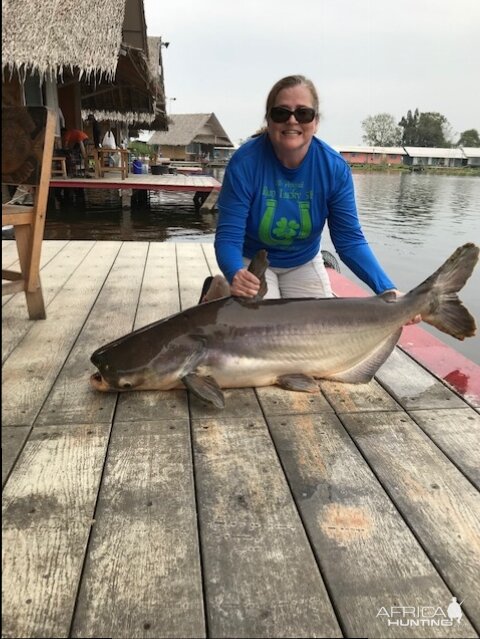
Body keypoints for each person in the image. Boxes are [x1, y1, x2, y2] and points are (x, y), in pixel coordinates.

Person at [214, 74, 418, 321]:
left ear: (316, 122)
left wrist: (387, 289)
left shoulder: (333, 168)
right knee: (260, 325)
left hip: (302, 262)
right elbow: (228, 236)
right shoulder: (244, 164)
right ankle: (221, 288)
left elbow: (349, 241)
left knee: (317, 327)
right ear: (268, 120)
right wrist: (235, 272)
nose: (292, 120)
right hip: (252, 261)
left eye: (303, 113)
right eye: (281, 113)